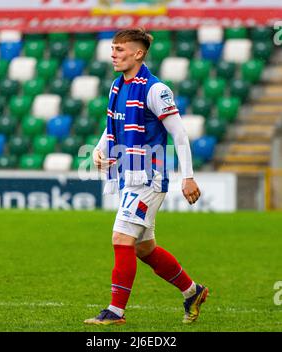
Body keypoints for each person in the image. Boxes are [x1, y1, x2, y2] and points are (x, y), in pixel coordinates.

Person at [84, 28, 208, 326]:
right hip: (129, 174)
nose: (113, 54)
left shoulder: (155, 89)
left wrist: (187, 177)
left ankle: (115, 311)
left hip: (149, 178)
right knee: (144, 248)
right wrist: (99, 150)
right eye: (112, 49)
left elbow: (179, 133)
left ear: (138, 53)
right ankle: (193, 292)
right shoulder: (117, 85)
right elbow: (113, 123)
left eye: (119, 49)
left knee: (121, 238)